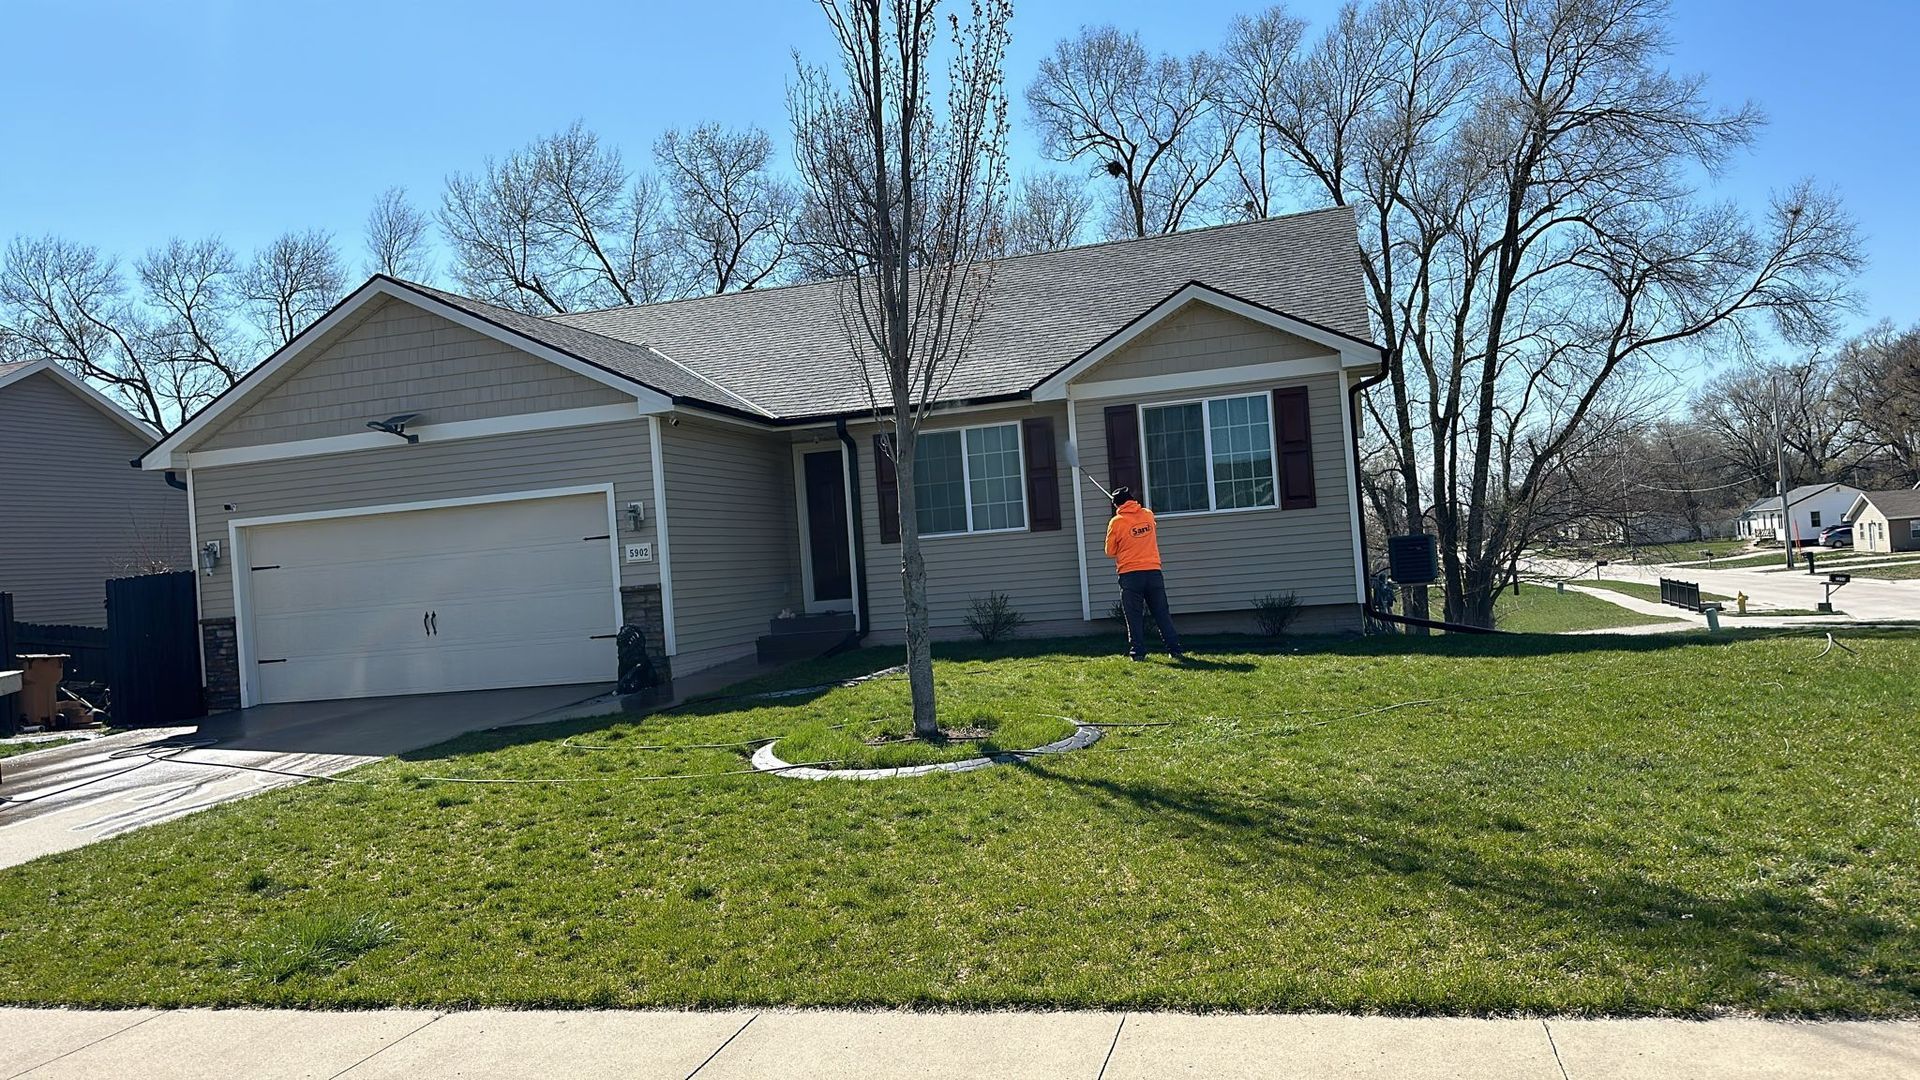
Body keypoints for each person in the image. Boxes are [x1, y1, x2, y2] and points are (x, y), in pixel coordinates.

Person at [1103, 486, 1184, 662]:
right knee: (1162, 613)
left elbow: (1110, 551)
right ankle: (1175, 650)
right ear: (1132, 499)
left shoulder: (1116, 522)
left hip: (1130, 575)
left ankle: (1138, 653)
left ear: (1117, 504)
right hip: (1153, 572)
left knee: (1134, 616)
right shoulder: (1148, 515)